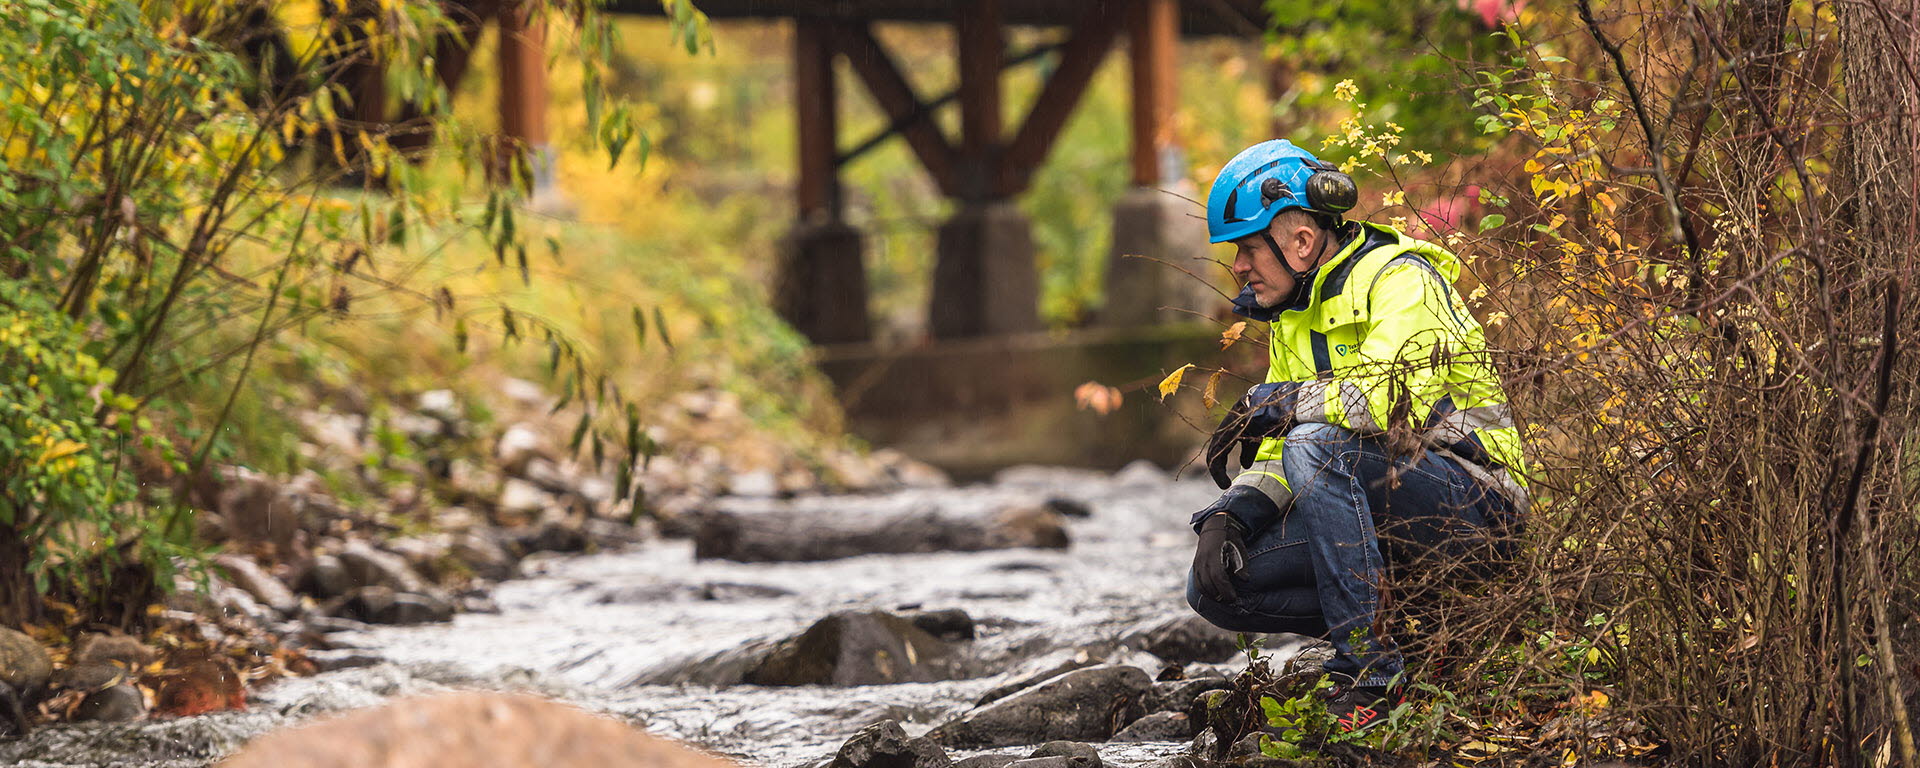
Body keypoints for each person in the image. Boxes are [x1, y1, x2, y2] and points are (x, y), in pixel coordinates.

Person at [1186, 139, 1528, 731]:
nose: (1238, 267)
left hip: (1483, 506)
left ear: (1299, 241)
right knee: (1214, 585)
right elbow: (1280, 453)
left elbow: (1390, 403)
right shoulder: (1293, 314)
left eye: (1245, 248)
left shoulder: (1402, 281)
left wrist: (1285, 401)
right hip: (1382, 505)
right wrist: (1233, 513)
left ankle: (1372, 673)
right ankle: (1413, 621)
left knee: (1314, 444)